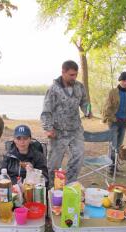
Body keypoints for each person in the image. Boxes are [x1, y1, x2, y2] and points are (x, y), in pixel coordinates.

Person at [41, 60, 91, 188]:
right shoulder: (53, 89)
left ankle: (70, 185)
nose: (74, 77)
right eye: (71, 75)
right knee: (54, 164)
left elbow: (84, 102)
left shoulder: (79, 87)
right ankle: (52, 188)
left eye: (75, 74)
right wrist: (48, 128)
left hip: (75, 130)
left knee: (78, 157)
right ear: (63, 72)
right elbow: (46, 111)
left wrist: (87, 111)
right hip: (58, 132)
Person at [103, 71, 126, 174]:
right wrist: (112, 118)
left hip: (124, 123)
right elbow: (107, 107)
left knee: (118, 145)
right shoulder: (113, 92)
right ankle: (111, 168)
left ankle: (115, 166)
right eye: (124, 80)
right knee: (113, 145)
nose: (125, 82)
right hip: (114, 122)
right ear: (120, 80)